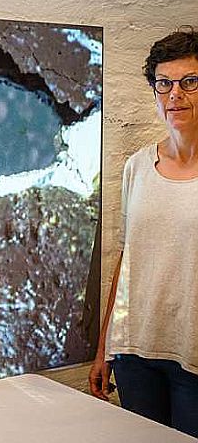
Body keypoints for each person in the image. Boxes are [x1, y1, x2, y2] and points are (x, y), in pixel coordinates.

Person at [89, 28, 198, 439]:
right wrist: (105, 346)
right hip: (134, 351)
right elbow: (127, 259)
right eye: (164, 83)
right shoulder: (137, 167)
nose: (175, 95)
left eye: (189, 82)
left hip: (192, 354)